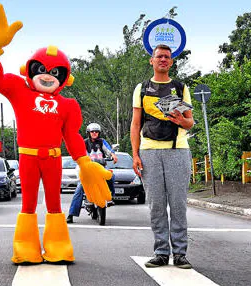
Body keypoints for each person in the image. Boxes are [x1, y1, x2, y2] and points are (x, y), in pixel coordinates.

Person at [0, 3, 112, 264]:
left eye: (55, 72)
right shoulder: (19, 90)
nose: (47, 76)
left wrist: (84, 161)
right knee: (28, 204)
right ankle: (25, 247)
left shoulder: (68, 105)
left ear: (65, 77)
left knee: (55, 203)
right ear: (30, 69)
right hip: (27, 158)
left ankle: (57, 245)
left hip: (54, 158)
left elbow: (71, 136)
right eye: (42, 70)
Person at [130, 44, 195, 269]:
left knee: (178, 204)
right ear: (152, 61)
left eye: (167, 57)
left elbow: (190, 122)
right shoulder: (142, 88)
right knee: (156, 205)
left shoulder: (180, 87)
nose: (163, 60)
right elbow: (136, 123)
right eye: (159, 57)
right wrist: (135, 154)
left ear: (171, 61)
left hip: (177, 149)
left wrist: (180, 120)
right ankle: (160, 252)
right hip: (149, 151)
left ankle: (180, 253)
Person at [66, 122, 117, 223]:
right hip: (87, 171)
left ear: (99, 133)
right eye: (92, 131)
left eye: (96, 131)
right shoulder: (84, 143)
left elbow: (108, 150)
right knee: (79, 189)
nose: (94, 133)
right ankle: (71, 214)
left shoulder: (102, 142)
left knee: (111, 176)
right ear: (88, 132)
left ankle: (110, 197)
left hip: (100, 169)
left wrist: (113, 155)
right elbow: (80, 152)